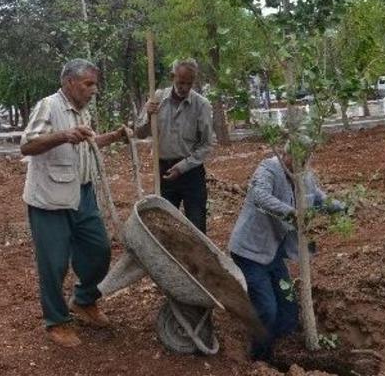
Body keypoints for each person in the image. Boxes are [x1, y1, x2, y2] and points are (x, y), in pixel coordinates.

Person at [21, 58, 130, 348]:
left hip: (82, 194)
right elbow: (28, 144)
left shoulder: (83, 112)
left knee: (99, 250)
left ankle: (83, 301)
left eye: (95, 84)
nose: (94, 90)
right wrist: (63, 135)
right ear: (70, 82)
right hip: (49, 200)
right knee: (54, 264)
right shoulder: (49, 106)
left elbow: (88, 144)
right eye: (88, 84)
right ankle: (56, 322)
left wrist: (117, 136)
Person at [228, 150, 343, 362]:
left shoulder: (305, 176)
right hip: (250, 253)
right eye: (296, 158)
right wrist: (291, 213)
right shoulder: (268, 169)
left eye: (305, 159)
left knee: (289, 309)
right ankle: (260, 359)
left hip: (274, 255)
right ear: (285, 154)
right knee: (267, 309)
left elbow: (317, 197)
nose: (300, 164)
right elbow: (260, 197)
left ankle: (278, 349)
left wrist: (343, 207)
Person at [136, 59, 214, 233]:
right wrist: (147, 116)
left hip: (191, 172)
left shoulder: (202, 105)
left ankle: (196, 259)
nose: (184, 87)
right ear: (173, 77)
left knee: (197, 224)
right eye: (180, 82)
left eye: (189, 83)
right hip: (163, 170)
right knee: (165, 224)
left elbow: (207, 145)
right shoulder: (156, 99)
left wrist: (183, 166)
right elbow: (140, 133)